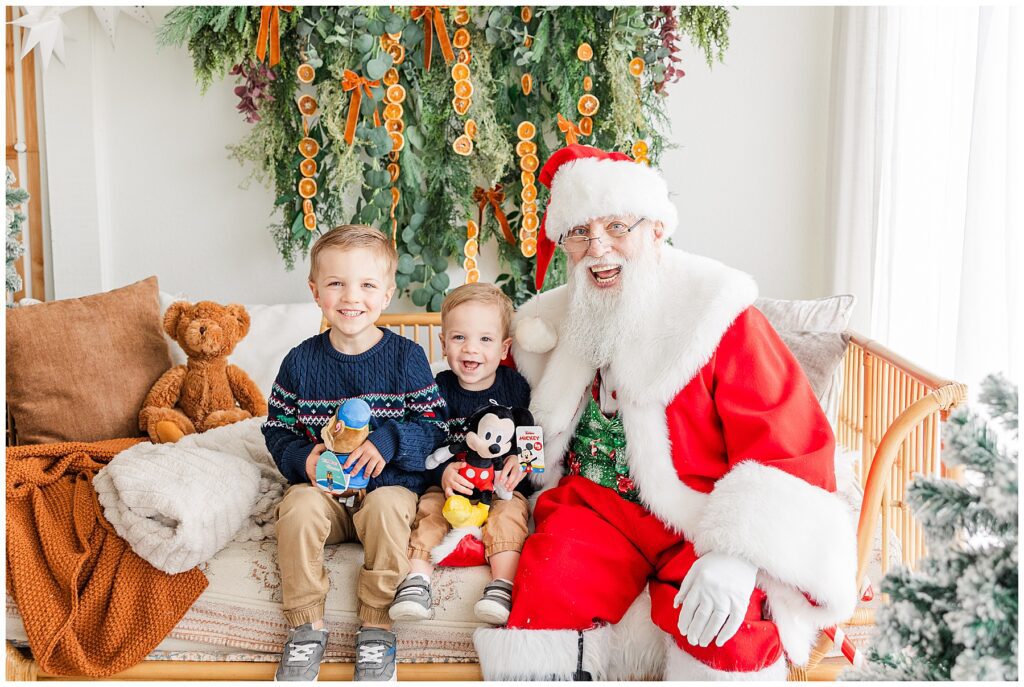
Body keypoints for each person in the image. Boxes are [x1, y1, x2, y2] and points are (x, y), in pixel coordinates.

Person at [473, 146, 858, 680]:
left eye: (616, 226)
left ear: (655, 229)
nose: (598, 248)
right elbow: (491, 404)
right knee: (547, 597)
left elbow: (788, 442)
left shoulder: (718, 312)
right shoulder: (549, 321)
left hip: (698, 515)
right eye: (580, 233)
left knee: (728, 629)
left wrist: (738, 554)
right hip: (594, 507)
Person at [262, 225, 447, 682]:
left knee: (387, 508)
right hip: (326, 494)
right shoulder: (299, 362)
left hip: (386, 489)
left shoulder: (407, 358)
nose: (351, 297)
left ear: (386, 294)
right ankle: (306, 627)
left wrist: (390, 440)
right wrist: (302, 459)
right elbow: (277, 428)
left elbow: (435, 428)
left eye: (366, 285)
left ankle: (377, 627)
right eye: (336, 283)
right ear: (315, 291)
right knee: (297, 507)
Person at [389, 283, 533, 626]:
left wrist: (522, 461)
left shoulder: (516, 386)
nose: (471, 348)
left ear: (504, 348)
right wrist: (442, 474)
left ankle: (502, 585)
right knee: (429, 509)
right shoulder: (435, 388)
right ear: (443, 343)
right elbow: (425, 446)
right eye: (458, 338)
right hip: (453, 488)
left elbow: (532, 433)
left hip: (499, 487)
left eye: (485, 339)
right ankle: (417, 580)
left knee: (510, 514)